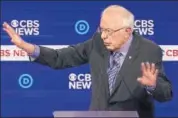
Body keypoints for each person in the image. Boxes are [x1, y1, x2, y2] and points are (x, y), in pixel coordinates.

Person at [2, 5, 172, 118]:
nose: (104, 36)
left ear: (127, 31)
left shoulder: (149, 50)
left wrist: (153, 85)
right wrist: (27, 47)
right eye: (101, 29)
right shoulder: (97, 43)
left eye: (109, 31)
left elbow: (166, 94)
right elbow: (60, 58)